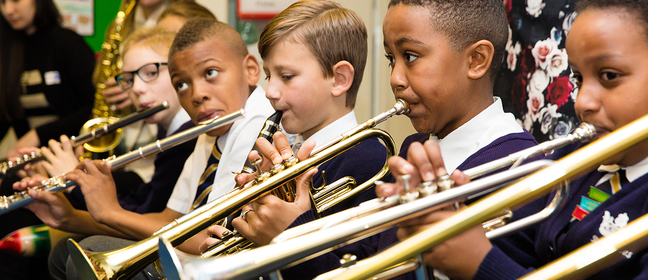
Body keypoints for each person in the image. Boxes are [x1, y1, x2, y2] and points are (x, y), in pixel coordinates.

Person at [382, 0, 648, 279]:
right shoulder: (578, 164)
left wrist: (480, 261)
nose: (582, 102)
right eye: (578, 79)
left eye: (609, 76)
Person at [13, 18, 274, 280]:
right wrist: (70, 217)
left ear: (251, 70)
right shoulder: (212, 132)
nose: (197, 94)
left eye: (210, 73)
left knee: (95, 249)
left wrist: (111, 212)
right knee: (64, 251)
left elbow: (213, 238)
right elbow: (169, 218)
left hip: (226, 262)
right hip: (197, 254)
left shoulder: (257, 125)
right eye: (182, 84)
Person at [200, 1, 386, 278]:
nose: (269, 91)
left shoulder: (367, 160)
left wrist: (286, 230)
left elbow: (352, 267)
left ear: (339, 79)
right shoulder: (288, 151)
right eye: (268, 76)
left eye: (286, 76)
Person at [0, 0, 95, 161]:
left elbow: (93, 107)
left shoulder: (68, 43)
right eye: (2, 2)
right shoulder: (8, 50)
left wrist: (38, 134)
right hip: (31, 161)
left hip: (73, 155)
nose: (8, 10)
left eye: (16, 0)